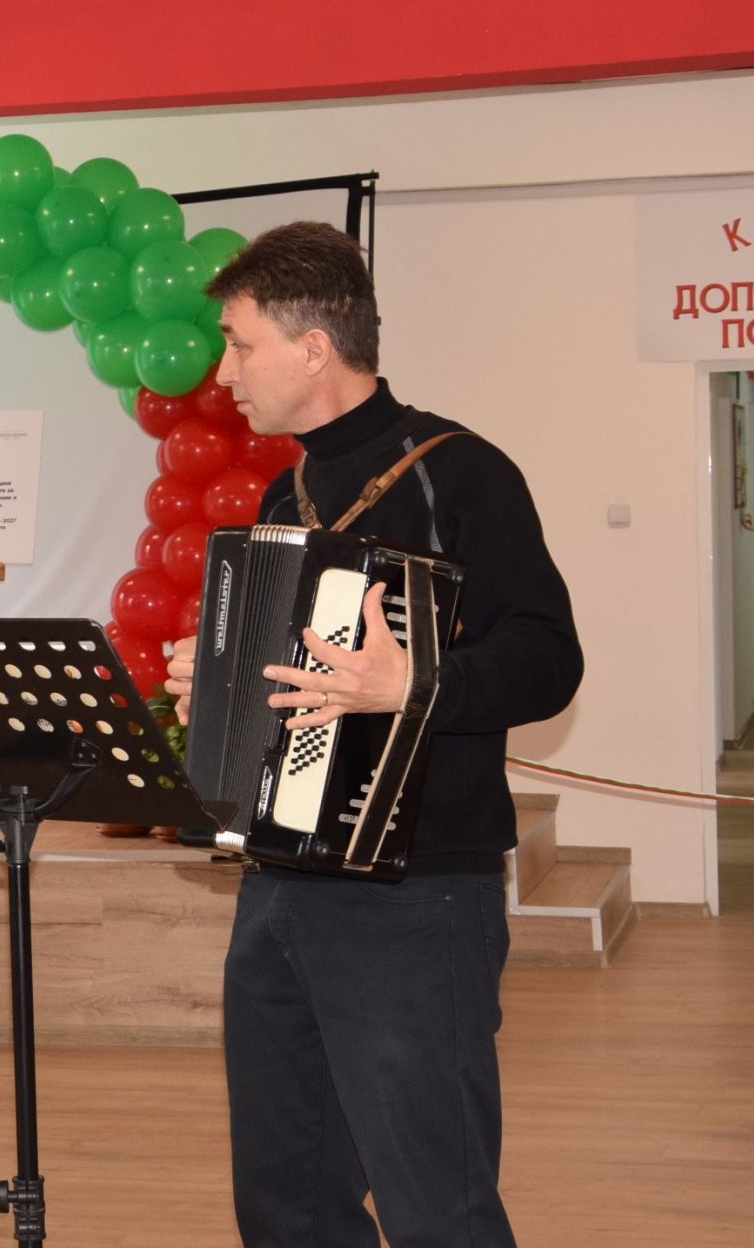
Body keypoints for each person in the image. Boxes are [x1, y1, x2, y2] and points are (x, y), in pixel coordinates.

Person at [160, 223, 582, 1248]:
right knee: (285, 1205)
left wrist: (413, 681)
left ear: (313, 347)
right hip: (279, 883)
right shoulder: (285, 491)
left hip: (418, 892)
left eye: (240, 345)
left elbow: (548, 660)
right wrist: (216, 688)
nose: (224, 374)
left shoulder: (461, 472)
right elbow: (295, 688)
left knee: (436, 1207)